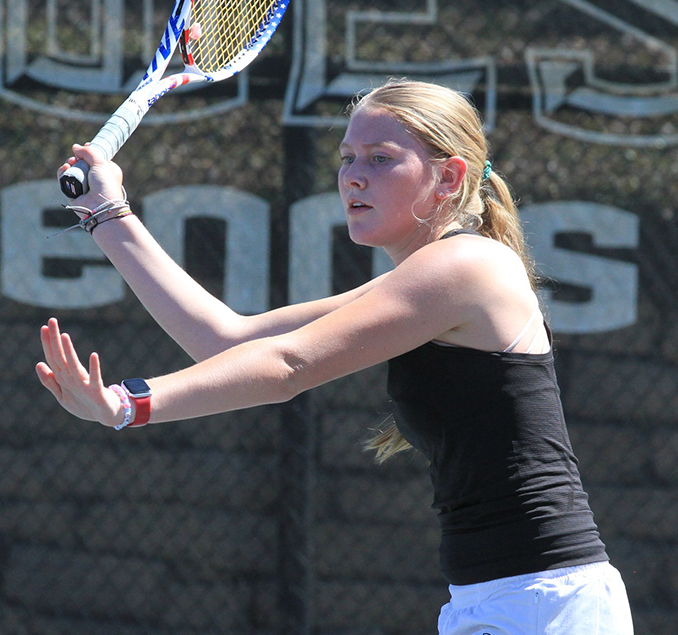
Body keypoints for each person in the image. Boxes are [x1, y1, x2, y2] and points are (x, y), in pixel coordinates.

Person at [37, 79, 633, 635]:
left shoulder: (468, 266)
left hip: (546, 601)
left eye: (380, 158)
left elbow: (286, 367)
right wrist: (105, 213)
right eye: (348, 158)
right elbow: (227, 342)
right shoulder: (432, 274)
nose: (353, 177)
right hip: (493, 597)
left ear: (449, 177)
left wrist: (126, 404)